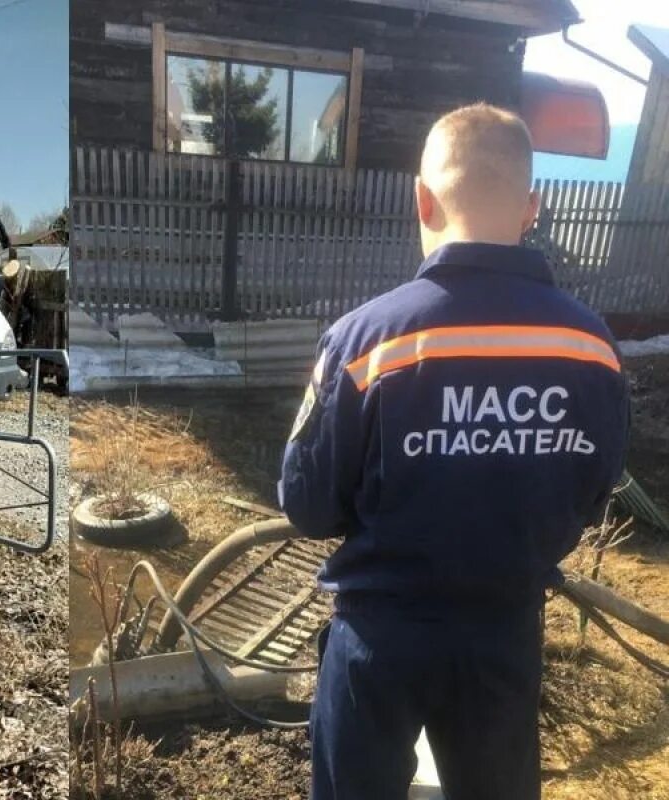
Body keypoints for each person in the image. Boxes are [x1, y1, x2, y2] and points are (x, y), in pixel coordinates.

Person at [279, 103, 629, 800]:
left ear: (421, 198)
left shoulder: (365, 341)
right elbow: (594, 490)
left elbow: (308, 504)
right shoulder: (593, 349)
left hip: (378, 644)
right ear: (532, 205)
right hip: (505, 638)